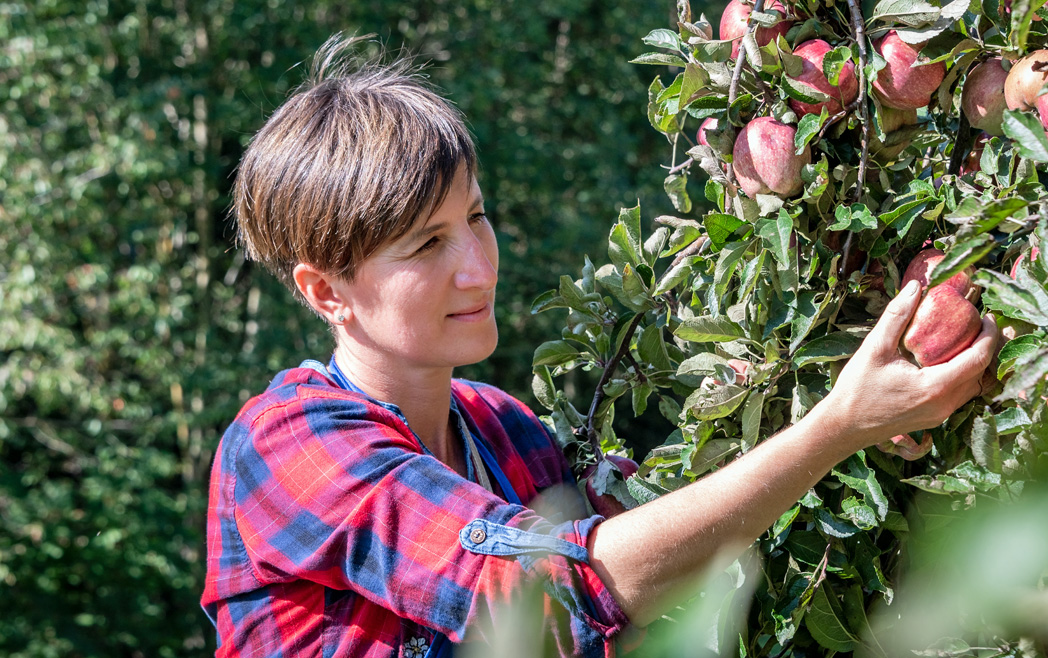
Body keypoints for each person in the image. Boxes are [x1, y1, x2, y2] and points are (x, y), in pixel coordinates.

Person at [201, 35, 998, 657]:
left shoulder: (503, 432)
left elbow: (645, 552)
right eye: (424, 246)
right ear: (326, 291)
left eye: (475, 219)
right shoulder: (286, 446)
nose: (478, 269)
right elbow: (541, 592)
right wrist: (835, 427)